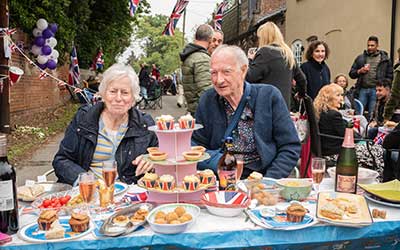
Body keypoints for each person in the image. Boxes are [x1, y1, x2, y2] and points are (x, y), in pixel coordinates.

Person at [192, 45, 301, 179]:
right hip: (221, 180)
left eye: (226, 72)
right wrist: (219, 163)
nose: (219, 80)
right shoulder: (208, 100)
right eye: (214, 73)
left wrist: (268, 181)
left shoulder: (268, 96)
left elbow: (290, 146)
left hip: (264, 178)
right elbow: (195, 146)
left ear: (243, 71)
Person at [53, 64, 158, 185]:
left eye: (124, 92)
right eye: (113, 91)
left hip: (129, 195)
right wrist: (86, 181)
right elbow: (61, 160)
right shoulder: (84, 118)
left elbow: (162, 156)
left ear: (133, 98)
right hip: (89, 194)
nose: (118, 98)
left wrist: (151, 160)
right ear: (103, 94)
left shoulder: (145, 124)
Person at [246, 22, 307, 107]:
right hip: (284, 107)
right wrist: (301, 94)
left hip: (266, 106)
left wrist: (250, 60)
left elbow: (250, 77)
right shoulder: (288, 54)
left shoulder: (264, 52)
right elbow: (302, 79)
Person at [349, 36, 393, 120]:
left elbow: (390, 75)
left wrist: (384, 88)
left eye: (372, 45)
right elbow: (351, 73)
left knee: (373, 113)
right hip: (363, 89)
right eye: (368, 45)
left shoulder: (385, 59)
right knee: (358, 113)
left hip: (376, 90)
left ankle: (370, 130)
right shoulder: (361, 58)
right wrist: (360, 71)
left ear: (377, 45)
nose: (370, 47)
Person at [180, 24, 213, 114]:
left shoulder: (189, 56)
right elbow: (206, 90)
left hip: (193, 108)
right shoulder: (202, 58)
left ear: (195, 36)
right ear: (210, 39)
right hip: (202, 112)